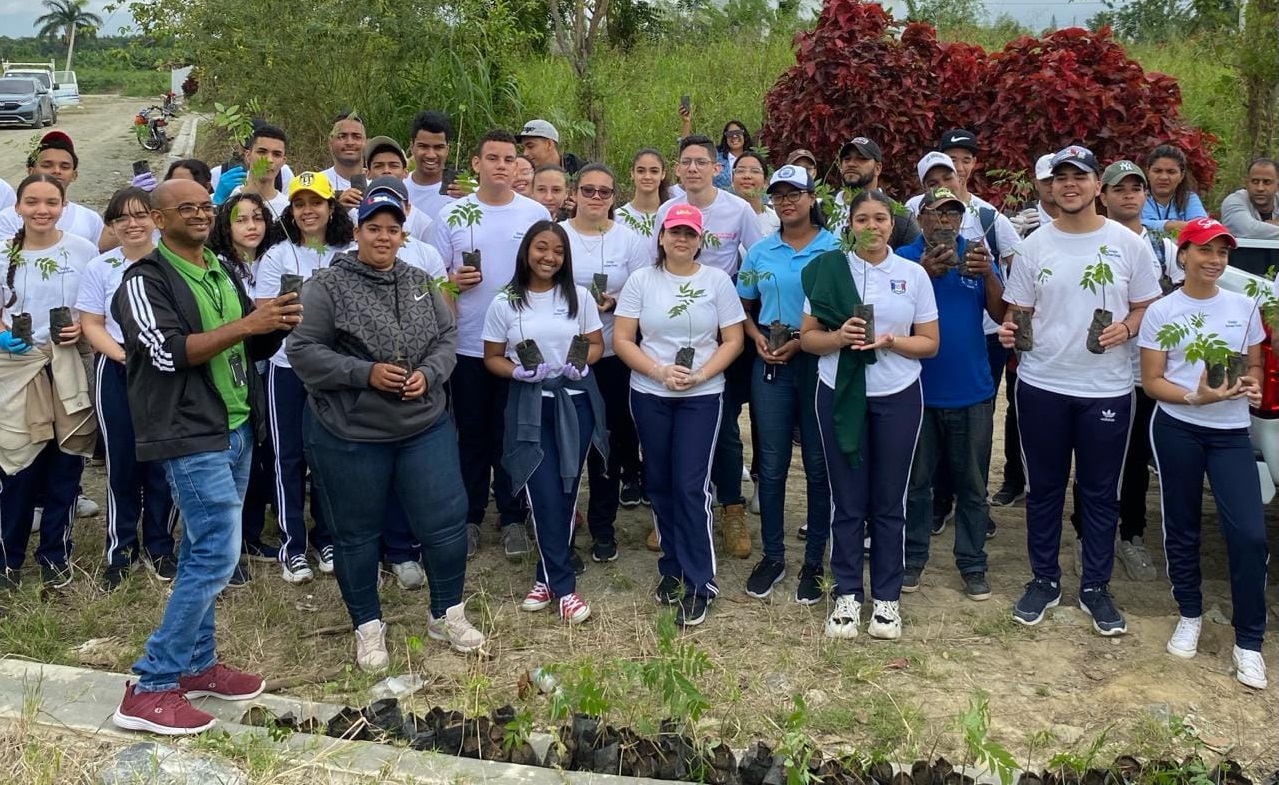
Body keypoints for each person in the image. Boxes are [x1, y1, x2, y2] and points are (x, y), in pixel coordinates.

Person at [111, 179, 300, 734]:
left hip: (235, 423)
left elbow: (247, 342)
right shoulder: (143, 281)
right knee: (218, 550)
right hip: (188, 430)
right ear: (158, 218)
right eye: (185, 208)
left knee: (200, 546)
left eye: (205, 206)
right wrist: (248, 323)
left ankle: (196, 664)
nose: (199, 214)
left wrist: (274, 324)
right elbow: (167, 354)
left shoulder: (219, 267)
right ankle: (150, 684)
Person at [289, 188, 485, 670]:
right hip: (352, 430)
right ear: (356, 232)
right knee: (356, 533)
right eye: (373, 228)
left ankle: (446, 612)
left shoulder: (419, 281)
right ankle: (368, 626)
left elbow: (445, 338)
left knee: (445, 522)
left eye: (392, 229)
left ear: (403, 235)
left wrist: (430, 374)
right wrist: (365, 373)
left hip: (423, 422)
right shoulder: (325, 286)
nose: (383, 237)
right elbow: (303, 351)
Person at [997, 145, 1162, 637]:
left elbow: (1147, 306)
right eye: (1060, 177)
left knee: (1100, 493)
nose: (1070, 184)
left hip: (1106, 389)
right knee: (1044, 489)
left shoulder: (1128, 244)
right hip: (1042, 384)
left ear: (1097, 187)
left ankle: (1095, 586)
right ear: (1050, 186)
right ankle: (1044, 580)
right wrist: (1010, 329)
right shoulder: (1034, 245)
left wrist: (1127, 328)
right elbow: (1019, 311)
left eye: (1080, 176)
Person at [800, 189, 938, 640]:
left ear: (892, 225)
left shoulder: (912, 274)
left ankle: (886, 600)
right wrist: (839, 338)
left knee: (888, 500)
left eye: (880, 218)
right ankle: (845, 595)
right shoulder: (828, 270)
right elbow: (808, 339)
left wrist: (893, 341)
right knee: (847, 499)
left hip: (897, 394)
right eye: (863, 219)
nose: (872, 227)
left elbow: (929, 343)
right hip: (839, 393)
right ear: (850, 225)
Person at [1139, 217, 1269, 690]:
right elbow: (1152, 382)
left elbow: (1253, 364)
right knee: (1182, 524)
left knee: (1249, 535)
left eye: (1222, 252)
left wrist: (1252, 384)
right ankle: (1189, 613)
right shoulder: (1162, 311)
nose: (1215, 260)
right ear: (1183, 255)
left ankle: (1248, 641)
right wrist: (1195, 398)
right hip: (1178, 428)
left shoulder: (1244, 306)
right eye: (1205, 250)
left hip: (1231, 433)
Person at [613, 204, 745, 627]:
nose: (682, 240)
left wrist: (701, 374)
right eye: (675, 232)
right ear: (662, 237)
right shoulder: (641, 280)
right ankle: (671, 567)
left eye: (690, 233)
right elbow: (622, 338)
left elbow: (733, 339)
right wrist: (658, 371)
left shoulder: (716, 281)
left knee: (690, 486)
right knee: (659, 482)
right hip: (650, 392)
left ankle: (700, 581)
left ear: (700, 240)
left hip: (701, 396)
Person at [429, 129, 548, 559]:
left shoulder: (534, 214)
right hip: (468, 345)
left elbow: (549, 271)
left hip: (519, 346)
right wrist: (452, 282)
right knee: (472, 436)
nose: (502, 166)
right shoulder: (452, 216)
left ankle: (514, 517)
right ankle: (471, 516)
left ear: (518, 165)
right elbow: (432, 280)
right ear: (476, 164)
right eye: (493, 158)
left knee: (513, 434)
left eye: (509, 159)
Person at [483, 220, 606, 622]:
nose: (549, 257)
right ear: (527, 251)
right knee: (543, 495)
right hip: (530, 408)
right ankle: (565, 590)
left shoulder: (579, 297)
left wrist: (581, 364)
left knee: (566, 493)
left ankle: (544, 577)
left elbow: (596, 344)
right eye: (541, 248)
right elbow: (492, 358)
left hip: (575, 406)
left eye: (558, 251)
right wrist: (516, 372)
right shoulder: (505, 302)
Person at [651, 135, 764, 558]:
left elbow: (757, 261)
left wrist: (745, 310)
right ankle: (671, 512)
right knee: (670, 421)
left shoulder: (738, 209)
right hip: (672, 329)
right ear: (677, 168)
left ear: (717, 168)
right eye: (686, 162)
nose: (694, 168)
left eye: (702, 162)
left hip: (722, 331)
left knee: (724, 422)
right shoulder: (667, 210)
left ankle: (732, 507)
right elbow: (653, 265)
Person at [898, 187, 1004, 601]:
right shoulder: (904, 258)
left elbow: (1000, 313)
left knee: (973, 487)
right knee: (916, 484)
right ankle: (912, 558)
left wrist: (989, 274)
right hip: (917, 391)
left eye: (953, 214)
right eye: (937, 213)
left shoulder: (974, 253)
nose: (945, 222)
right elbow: (891, 317)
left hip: (972, 390)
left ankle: (973, 563)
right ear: (921, 217)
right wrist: (922, 274)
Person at [736, 166, 836, 602]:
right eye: (778, 195)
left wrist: (803, 341)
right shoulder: (760, 251)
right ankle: (773, 555)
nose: (787, 202)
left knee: (817, 462)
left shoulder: (834, 248)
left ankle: (814, 561)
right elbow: (742, 305)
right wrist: (755, 336)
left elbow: (841, 308)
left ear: (812, 198)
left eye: (795, 193)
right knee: (772, 463)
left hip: (817, 361)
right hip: (771, 360)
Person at [1081, 160, 1181, 582]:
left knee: (1136, 458)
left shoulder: (1163, 248)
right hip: (1097, 368)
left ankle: (1131, 535)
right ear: (1102, 194)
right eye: (1119, 188)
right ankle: (1086, 535)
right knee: (1091, 457)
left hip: (1146, 371)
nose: (1128, 195)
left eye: (1136, 188)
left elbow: (1179, 301)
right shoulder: (1088, 240)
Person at [76, 187, 178, 591]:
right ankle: (119, 550)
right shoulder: (101, 267)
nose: (132, 224)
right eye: (122, 218)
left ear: (155, 219)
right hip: (117, 369)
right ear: (112, 226)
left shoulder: (172, 261)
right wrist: (123, 356)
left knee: (163, 463)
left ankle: (159, 545)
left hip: (165, 371)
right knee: (121, 462)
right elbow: (92, 323)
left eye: (140, 215)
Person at [0, 174, 98, 591]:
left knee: (66, 463)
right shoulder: (4, 253)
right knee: (18, 464)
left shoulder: (82, 251)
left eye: (51, 202)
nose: (42, 210)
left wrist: (82, 328)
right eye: (33, 202)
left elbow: (96, 307)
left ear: (63, 205)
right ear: (18, 207)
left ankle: (55, 556)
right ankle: (8, 558)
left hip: (67, 366)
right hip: (17, 368)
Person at [255, 172, 353, 583]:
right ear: (290, 211)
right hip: (287, 367)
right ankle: (292, 545)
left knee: (329, 455)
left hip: (333, 369)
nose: (308, 211)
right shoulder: (277, 255)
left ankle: (327, 537)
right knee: (288, 456)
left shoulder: (348, 252)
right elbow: (265, 312)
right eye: (299, 204)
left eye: (316, 202)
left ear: (331, 207)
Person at [561, 164, 648, 560]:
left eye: (604, 192)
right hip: (562, 356)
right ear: (574, 192)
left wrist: (615, 303)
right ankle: (561, 527)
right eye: (588, 190)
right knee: (564, 444)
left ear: (614, 196)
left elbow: (642, 291)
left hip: (611, 355)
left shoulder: (629, 240)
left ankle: (602, 526)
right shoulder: (557, 235)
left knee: (606, 444)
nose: (596, 198)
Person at [207, 192, 283, 574]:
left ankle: (250, 536)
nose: (252, 226)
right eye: (241, 219)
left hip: (271, 366)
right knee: (234, 459)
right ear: (225, 226)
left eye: (258, 217)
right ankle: (226, 546)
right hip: (235, 370)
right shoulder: (218, 267)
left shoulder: (275, 260)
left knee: (260, 458)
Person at [990, 154, 1056, 508]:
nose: (1053, 187)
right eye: (1047, 180)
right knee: (1018, 408)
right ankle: (1014, 477)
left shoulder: (1094, 228)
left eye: (1058, 179)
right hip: (1028, 335)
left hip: (1068, 339)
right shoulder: (1023, 225)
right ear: (1037, 183)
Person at [0, 131, 106, 250]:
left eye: (64, 167)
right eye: (47, 165)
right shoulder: (7, 218)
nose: (56, 171)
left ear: (74, 175)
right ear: (31, 171)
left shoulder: (90, 219)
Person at [830, 136, 920, 248]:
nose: (851, 164)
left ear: (878, 168)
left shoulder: (901, 217)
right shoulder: (822, 207)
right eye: (847, 159)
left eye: (861, 159)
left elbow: (916, 255)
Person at [213, 124, 290, 219]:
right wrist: (217, 204)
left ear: (283, 161)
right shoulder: (227, 199)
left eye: (277, 154)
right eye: (262, 152)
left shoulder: (288, 208)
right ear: (248, 156)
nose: (269, 160)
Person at [405, 110, 459, 223]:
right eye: (423, 146)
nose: (431, 155)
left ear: (447, 149)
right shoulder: (400, 188)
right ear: (412, 147)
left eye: (438, 147)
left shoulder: (463, 189)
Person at [1141, 144, 1207, 235]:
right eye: (1157, 171)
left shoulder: (1189, 199)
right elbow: (1129, 225)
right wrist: (1169, 225)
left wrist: (1150, 225)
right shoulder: (1138, 198)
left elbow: (1202, 227)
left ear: (1181, 176)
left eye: (1171, 172)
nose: (1163, 177)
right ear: (1148, 173)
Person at [1220, 158, 1279, 240]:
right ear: (1246, 183)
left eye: (1267, 182)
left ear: (1278, 186)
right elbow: (1248, 230)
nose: (1260, 188)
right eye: (1255, 181)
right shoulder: (1234, 201)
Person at [616, 148, 670, 239]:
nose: (647, 177)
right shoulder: (617, 218)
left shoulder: (671, 214)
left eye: (654, 171)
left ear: (663, 174)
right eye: (641, 171)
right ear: (632, 173)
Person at [319, 110, 368, 208]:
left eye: (356, 137)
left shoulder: (377, 184)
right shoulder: (318, 183)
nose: (350, 142)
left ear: (366, 142)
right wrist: (339, 210)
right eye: (342, 136)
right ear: (330, 142)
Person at [732, 152, 780, 236]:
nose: (747, 176)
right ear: (732, 180)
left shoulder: (776, 221)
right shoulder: (718, 216)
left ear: (765, 182)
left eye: (755, 171)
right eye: (740, 171)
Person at [518, 119, 583, 175]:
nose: (525, 153)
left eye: (530, 146)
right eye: (523, 148)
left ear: (549, 144)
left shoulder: (580, 172)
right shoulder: (525, 176)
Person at [713, 120, 752, 190]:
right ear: (725, 138)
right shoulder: (715, 157)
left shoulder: (754, 158)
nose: (734, 136)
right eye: (730, 134)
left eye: (738, 132)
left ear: (744, 136)